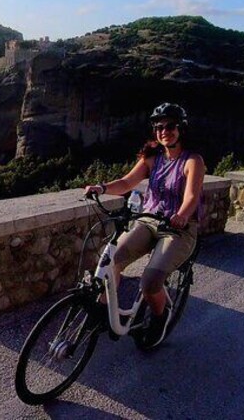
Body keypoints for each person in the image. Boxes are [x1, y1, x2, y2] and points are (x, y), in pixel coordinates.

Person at [84, 102, 205, 348]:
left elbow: (192, 197)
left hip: (178, 228)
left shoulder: (193, 161)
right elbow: (127, 182)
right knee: (112, 259)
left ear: (181, 128)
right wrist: (103, 188)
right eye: (159, 127)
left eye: (170, 126)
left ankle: (160, 318)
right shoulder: (153, 158)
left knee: (150, 282)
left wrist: (181, 215)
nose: (163, 131)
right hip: (149, 220)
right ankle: (103, 311)